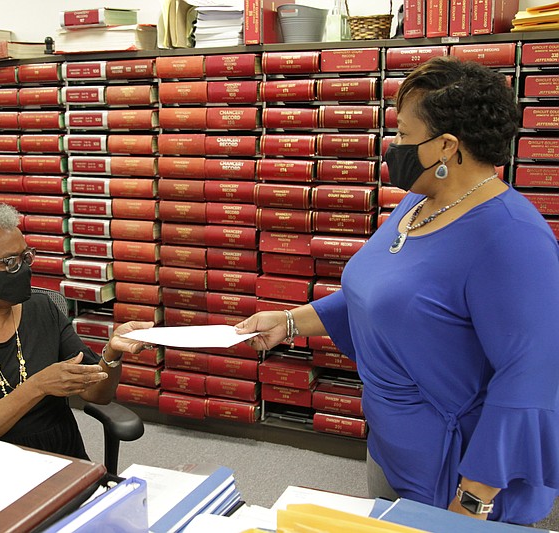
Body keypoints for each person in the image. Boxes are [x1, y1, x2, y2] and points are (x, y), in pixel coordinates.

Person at [236, 57, 559, 524]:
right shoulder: (419, 202)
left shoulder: (511, 237)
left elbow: (530, 377)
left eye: (405, 135)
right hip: (393, 446)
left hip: (460, 475)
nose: (394, 145)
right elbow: (376, 293)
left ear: (445, 146)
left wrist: (472, 502)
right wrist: (289, 322)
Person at [0, 201, 152, 459]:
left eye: (25, 257)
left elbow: (96, 394)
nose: (23, 269)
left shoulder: (41, 309)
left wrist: (112, 354)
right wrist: (37, 386)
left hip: (64, 457)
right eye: (9, 262)